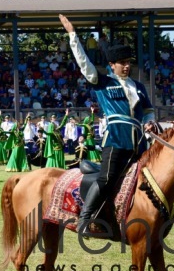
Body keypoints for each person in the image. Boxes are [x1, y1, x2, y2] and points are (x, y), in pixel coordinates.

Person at [61, 14, 156, 236]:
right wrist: (73, 36)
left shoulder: (140, 87)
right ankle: (85, 216)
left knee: (148, 179)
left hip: (139, 143)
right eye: (122, 63)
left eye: (128, 62)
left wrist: (150, 124)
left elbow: (149, 112)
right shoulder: (103, 81)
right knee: (106, 180)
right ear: (112, 65)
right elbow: (84, 64)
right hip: (115, 141)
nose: (126, 66)